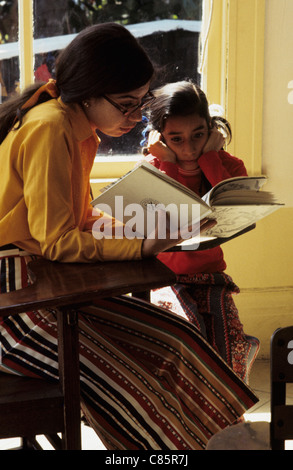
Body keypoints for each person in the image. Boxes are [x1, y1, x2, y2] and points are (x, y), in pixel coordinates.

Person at [0, 26, 257, 450]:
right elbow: (59, 242)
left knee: (181, 340)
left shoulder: (74, 126)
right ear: (88, 92)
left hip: (37, 287)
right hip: (16, 310)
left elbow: (78, 218)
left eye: (141, 103)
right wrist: (142, 244)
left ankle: (211, 445)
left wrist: (152, 231)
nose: (136, 116)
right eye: (126, 105)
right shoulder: (50, 129)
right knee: (141, 381)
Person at [143, 80, 260, 383]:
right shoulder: (151, 168)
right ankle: (190, 421)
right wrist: (168, 166)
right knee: (189, 334)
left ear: (212, 129)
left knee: (228, 347)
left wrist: (211, 159)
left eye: (198, 135)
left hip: (212, 278)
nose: (189, 148)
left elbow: (231, 213)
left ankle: (227, 422)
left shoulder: (229, 166)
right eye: (176, 139)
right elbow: (161, 220)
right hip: (162, 279)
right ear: (160, 137)